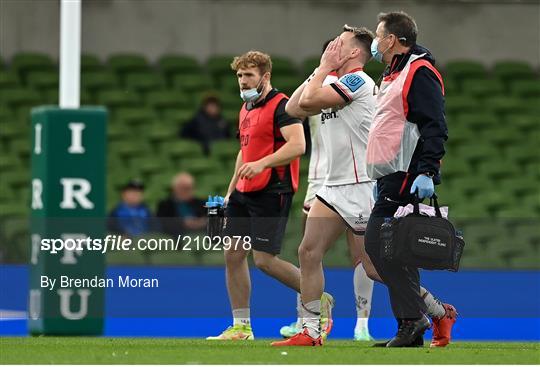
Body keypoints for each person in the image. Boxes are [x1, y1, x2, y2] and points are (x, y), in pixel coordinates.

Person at [206, 50, 333, 341]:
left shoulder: (283, 106)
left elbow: (298, 145)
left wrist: (262, 163)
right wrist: (230, 191)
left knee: (264, 260)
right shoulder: (246, 109)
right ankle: (241, 328)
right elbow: (245, 152)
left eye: (248, 75)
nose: (242, 81)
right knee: (233, 254)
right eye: (239, 75)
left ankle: (318, 297)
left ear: (265, 77)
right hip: (244, 190)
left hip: (272, 190)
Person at [271, 26, 379, 347]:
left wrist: (322, 69)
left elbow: (312, 99)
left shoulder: (358, 81)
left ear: (355, 53)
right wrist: (322, 69)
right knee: (308, 251)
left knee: (373, 267)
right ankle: (311, 331)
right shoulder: (332, 79)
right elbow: (291, 109)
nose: (333, 46)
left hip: (360, 186)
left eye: (340, 44)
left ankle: (434, 310)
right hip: (332, 186)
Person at [364, 11, 456, 347]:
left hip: (408, 172)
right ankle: (410, 327)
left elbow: (435, 125)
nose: (374, 41)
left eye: (378, 35)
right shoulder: (393, 72)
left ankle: (415, 319)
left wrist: (427, 170)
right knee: (399, 251)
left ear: (391, 39)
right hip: (391, 172)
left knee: (377, 244)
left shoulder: (419, 71)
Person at [156, 172, 206, 238]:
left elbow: (209, 218)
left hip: (200, 235)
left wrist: (202, 222)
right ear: (175, 188)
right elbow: (162, 224)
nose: (187, 191)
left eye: (190, 188)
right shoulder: (165, 205)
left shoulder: (200, 203)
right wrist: (182, 223)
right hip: (177, 238)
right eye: (184, 188)